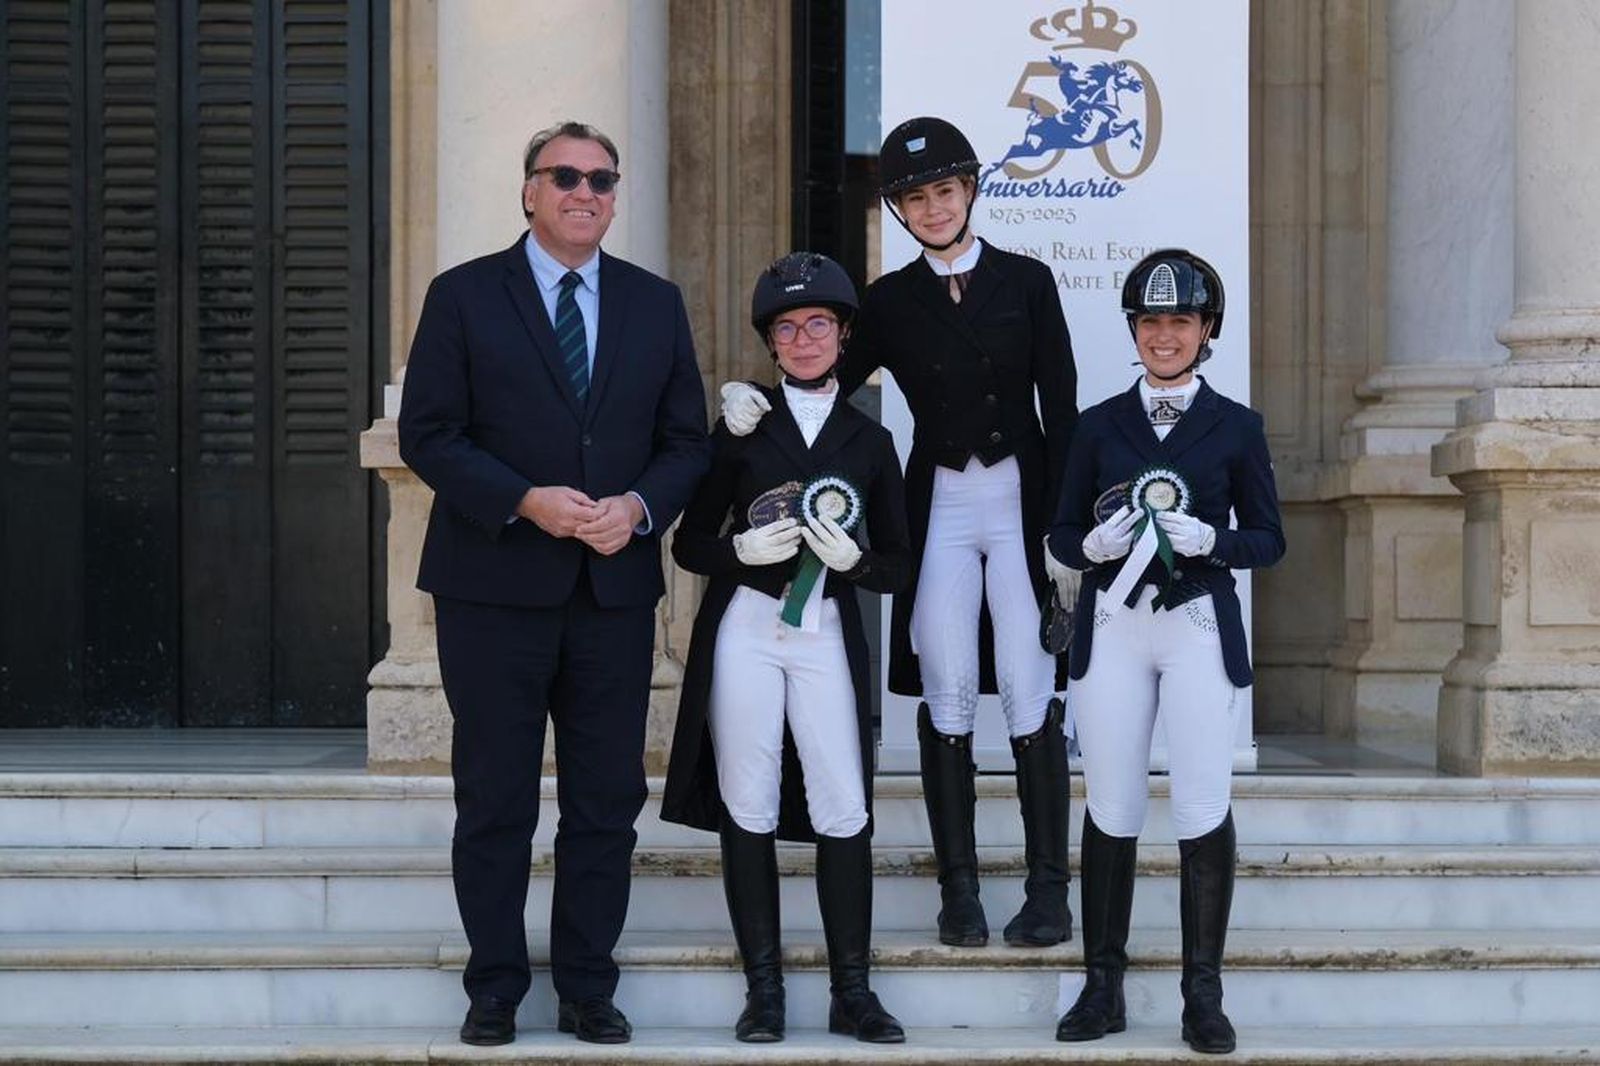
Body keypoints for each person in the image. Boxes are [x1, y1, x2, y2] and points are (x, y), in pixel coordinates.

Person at [721, 116, 1080, 950]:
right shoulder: (884, 301)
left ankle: (1048, 890)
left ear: (970, 192)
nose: (933, 208)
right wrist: (754, 404)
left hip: (1020, 496)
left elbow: (1060, 409)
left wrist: (1063, 530)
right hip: (943, 500)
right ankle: (960, 892)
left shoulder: (1029, 281)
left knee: (1031, 689)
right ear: (899, 210)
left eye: (944, 191)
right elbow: (822, 376)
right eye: (915, 199)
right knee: (949, 688)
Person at [398, 120, 710, 1047]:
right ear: (529, 190)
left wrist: (641, 508)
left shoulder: (656, 304)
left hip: (611, 595)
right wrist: (524, 499)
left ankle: (586, 987)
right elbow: (430, 433)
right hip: (492, 590)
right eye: (565, 175)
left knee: (605, 800)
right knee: (494, 797)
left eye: (602, 179)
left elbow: (686, 443)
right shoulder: (462, 296)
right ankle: (495, 987)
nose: (586, 191)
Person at [662, 252, 913, 1044]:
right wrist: (741, 552)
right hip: (747, 629)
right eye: (786, 327)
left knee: (844, 798)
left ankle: (853, 992)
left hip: (825, 632)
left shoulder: (870, 441)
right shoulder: (741, 427)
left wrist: (858, 564)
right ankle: (763, 991)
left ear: (842, 336)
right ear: (771, 342)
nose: (803, 339)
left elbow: (901, 562)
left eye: (817, 325)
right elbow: (690, 545)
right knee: (750, 795)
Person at [1044, 249, 1284, 1054]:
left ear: (1205, 328)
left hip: (1196, 628)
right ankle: (1101, 986)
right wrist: (1095, 542)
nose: (1164, 334)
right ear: (1135, 330)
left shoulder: (1238, 426)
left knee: (1200, 804)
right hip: (1116, 624)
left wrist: (1213, 538)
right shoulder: (1097, 424)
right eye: (1151, 320)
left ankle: (1201, 996)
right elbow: (1061, 532)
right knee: (1111, 803)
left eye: (1180, 320)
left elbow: (1269, 540)